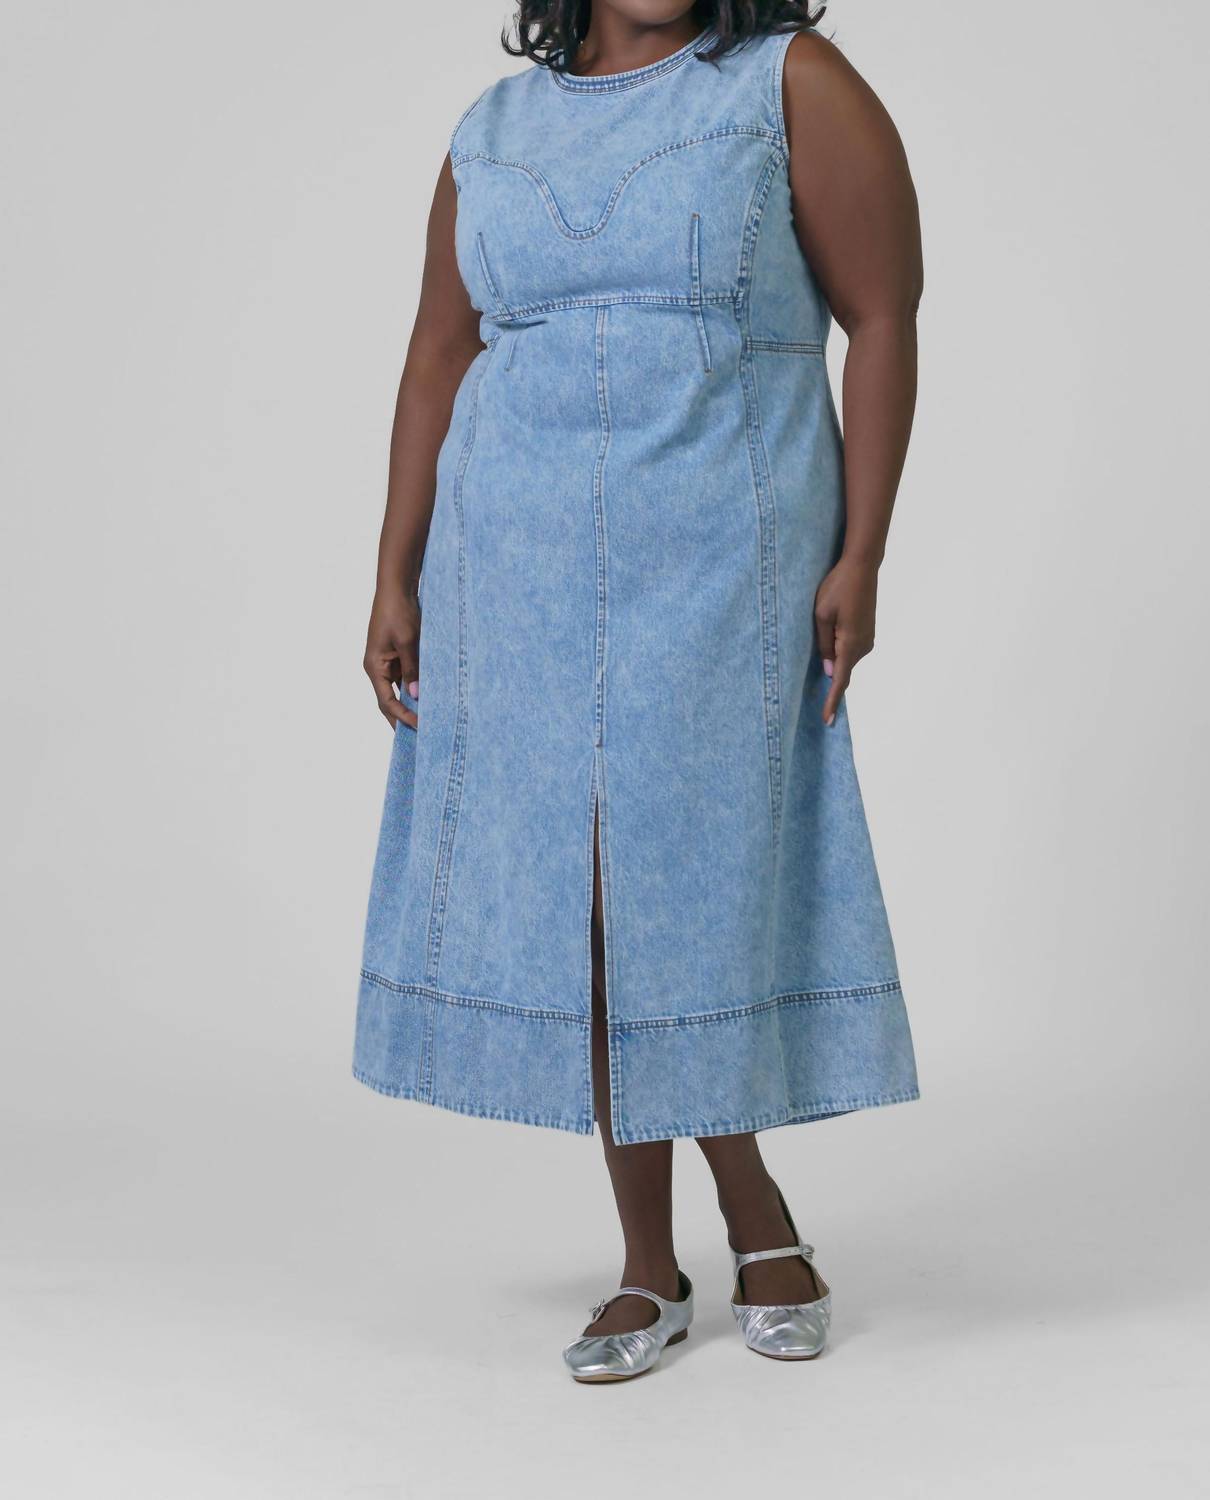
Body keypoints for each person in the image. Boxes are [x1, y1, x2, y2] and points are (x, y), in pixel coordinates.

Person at [356, 0, 922, 1383]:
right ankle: (648, 1262)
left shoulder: (790, 82)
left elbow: (881, 316)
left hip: (723, 550)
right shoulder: (495, 127)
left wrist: (862, 551)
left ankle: (753, 1212)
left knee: (684, 886)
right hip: (517, 566)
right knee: (584, 908)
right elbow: (438, 353)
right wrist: (395, 570)